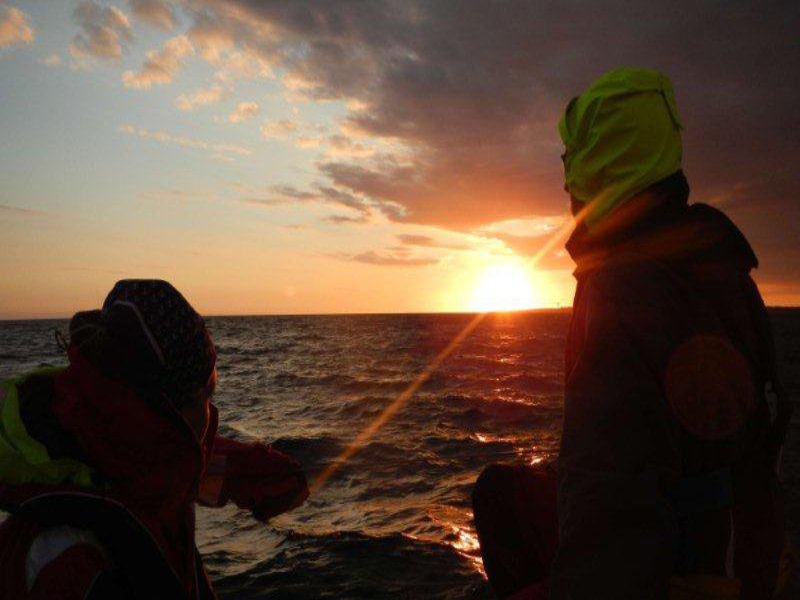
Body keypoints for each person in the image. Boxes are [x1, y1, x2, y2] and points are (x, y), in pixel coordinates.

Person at [474, 68, 792, 600]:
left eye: (571, 161)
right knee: (501, 494)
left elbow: (612, 519)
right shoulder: (723, 267)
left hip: (677, 571)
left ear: (594, 173)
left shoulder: (621, 293)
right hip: (740, 554)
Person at [0, 279, 309, 599]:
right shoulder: (68, 566)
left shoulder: (108, 443)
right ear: (159, 411)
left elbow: (169, 467)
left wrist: (253, 472)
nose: (209, 413)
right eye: (202, 396)